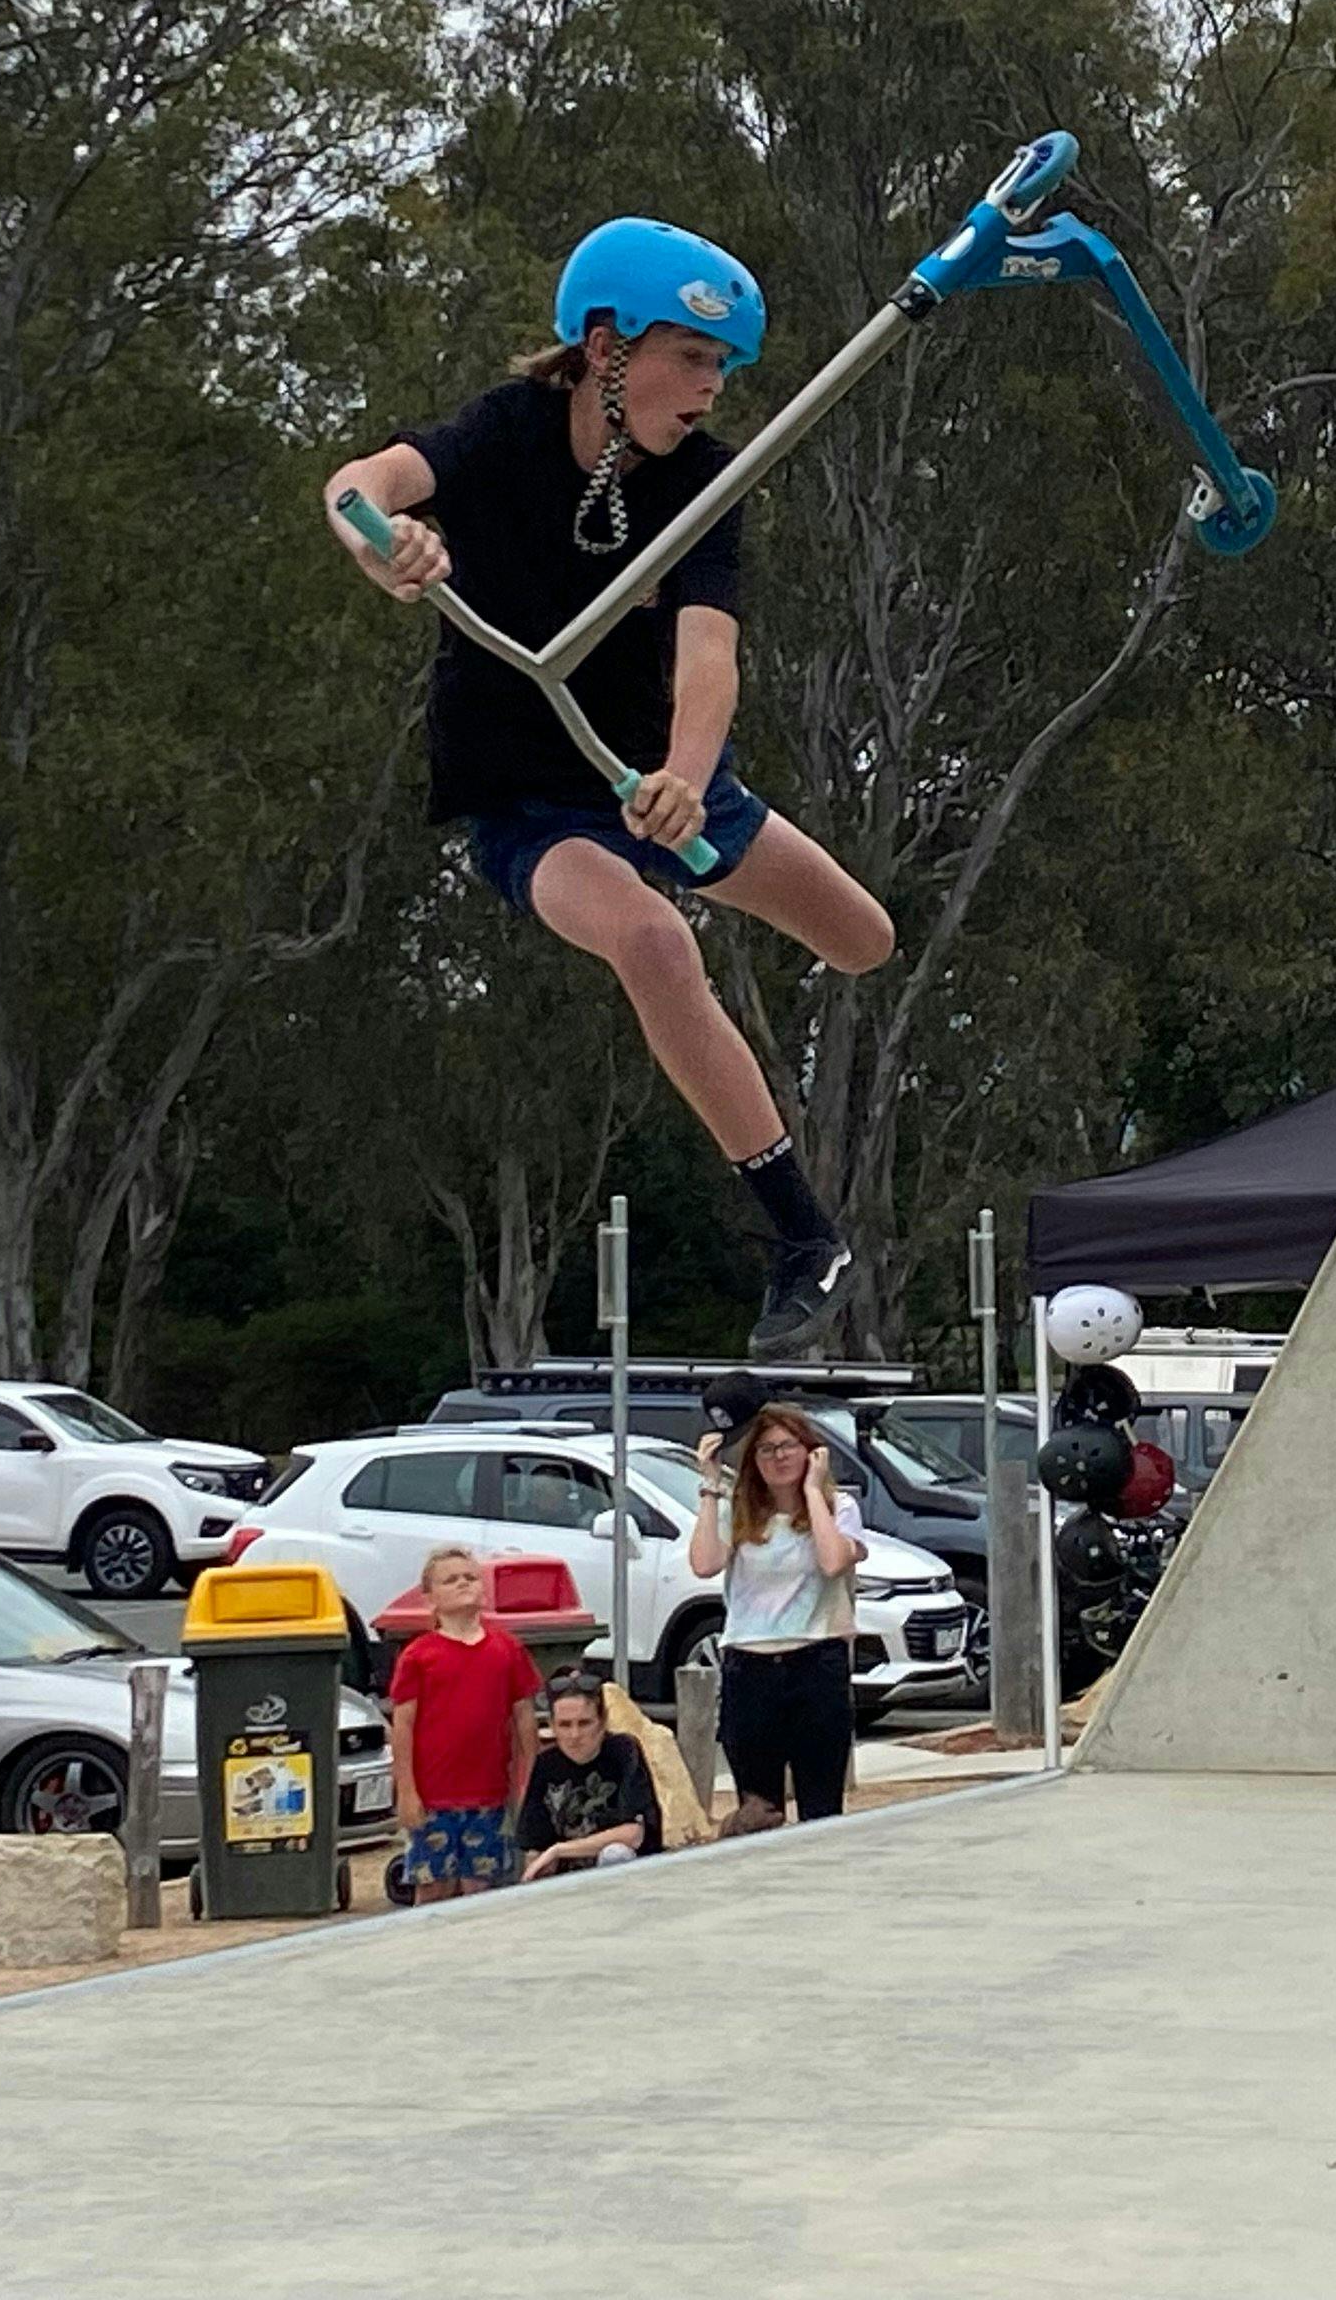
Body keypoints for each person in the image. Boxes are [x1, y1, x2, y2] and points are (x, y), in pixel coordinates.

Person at [327, 221, 894, 1359]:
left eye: (722, 365)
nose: (711, 387)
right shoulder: (506, 431)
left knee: (864, 942)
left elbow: (710, 654)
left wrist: (685, 776)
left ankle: (694, 845)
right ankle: (801, 1238)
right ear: (605, 348)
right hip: (532, 804)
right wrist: (387, 543)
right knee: (651, 940)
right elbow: (356, 486)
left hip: (661, 779)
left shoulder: (704, 480)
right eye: (692, 357)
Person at [686, 1399, 866, 1831]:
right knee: (758, 1809)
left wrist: (812, 1492)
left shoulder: (838, 1507)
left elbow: (832, 1561)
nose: (778, 1457)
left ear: (810, 1452)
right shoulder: (741, 1511)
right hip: (750, 1665)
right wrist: (710, 1486)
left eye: (788, 1446)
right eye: (766, 1449)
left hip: (816, 1659)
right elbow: (704, 1563)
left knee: (820, 1804)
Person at [385, 1543, 542, 1899]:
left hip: (490, 1797)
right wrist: (406, 1791)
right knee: (433, 1888)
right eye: (450, 1579)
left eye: (470, 1577)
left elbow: (524, 1720)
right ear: (430, 1597)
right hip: (433, 1799)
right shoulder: (418, 1656)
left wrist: (528, 1783)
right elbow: (403, 1726)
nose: (462, 1583)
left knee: (481, 1890)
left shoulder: (507, 1650)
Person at [515, 1672, 661, 1878]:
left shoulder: (623, 1751)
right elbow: (534, 1845)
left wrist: (559, 1850)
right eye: (565, 1725)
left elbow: (633, 1834)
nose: (574, 1735)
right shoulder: (546, 1764)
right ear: (552, 1725)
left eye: (584, 1723)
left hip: (627, 1874)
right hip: (567, 1878)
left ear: (602, 1722)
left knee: (616, 1854)